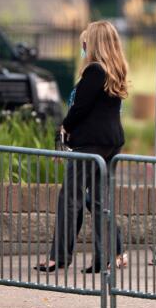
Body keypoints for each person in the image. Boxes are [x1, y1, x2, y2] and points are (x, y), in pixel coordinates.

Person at [37, 21, 129, 272]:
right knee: (100, 202)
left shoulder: (95, 71)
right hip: (111, 143)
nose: (83, 46)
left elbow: (80, 108)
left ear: (94, 42)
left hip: (90, 144)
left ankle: (59, 256)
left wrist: (65, 126)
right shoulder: (115, 69)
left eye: (85, 43)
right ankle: (104, 257)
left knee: (70, 199)